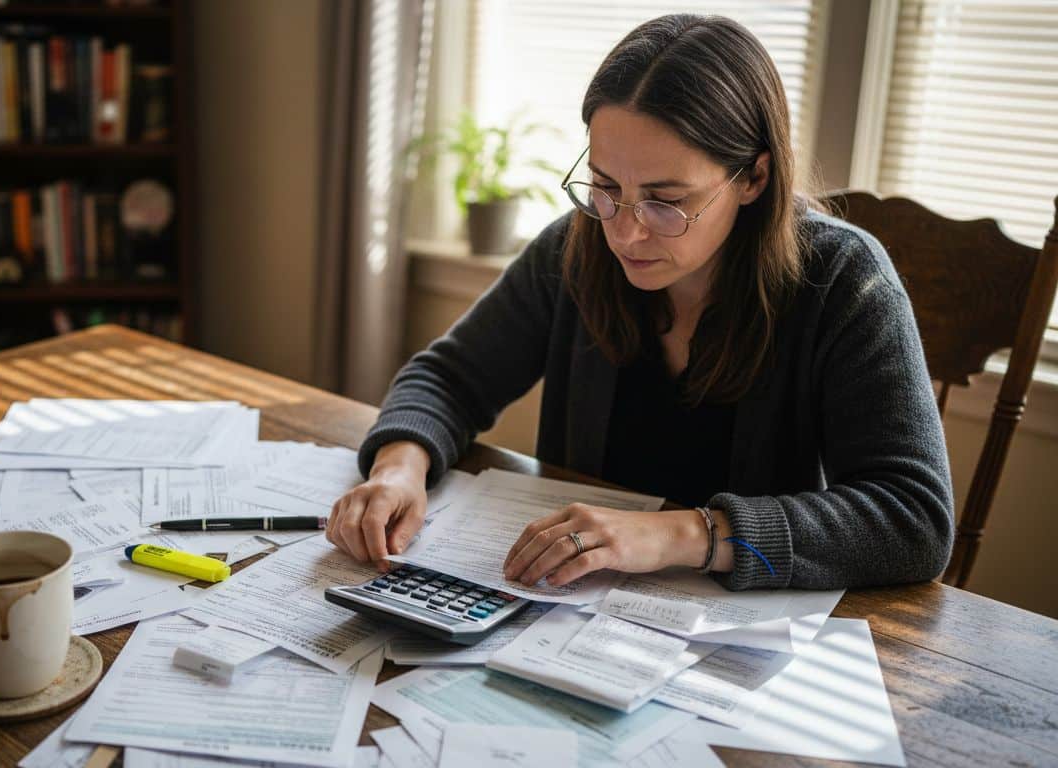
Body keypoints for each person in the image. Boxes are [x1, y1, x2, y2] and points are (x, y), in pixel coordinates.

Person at [325, 13, 954, 592]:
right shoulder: (574, 249)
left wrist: (679, 534)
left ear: (754, 179)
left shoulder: (843, 278)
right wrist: (399, 467)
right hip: (567, 613)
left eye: (665, 199)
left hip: (736, 647)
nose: (624, 230)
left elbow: (913, 521)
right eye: (605, 186)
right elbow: (450, 377)